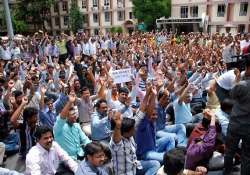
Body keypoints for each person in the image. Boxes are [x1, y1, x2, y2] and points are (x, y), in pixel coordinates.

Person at [110, 109, 160, 175]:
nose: (135, 130)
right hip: (125, 173)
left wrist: (148, 98)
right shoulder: (117, 143)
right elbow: (116, 138)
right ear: (126, 132)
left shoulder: (130, 137)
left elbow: (140, 114)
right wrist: (117, 126)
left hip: (135, 166)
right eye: (133, 129)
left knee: (155, 164)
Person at [224, 54, 250, 175]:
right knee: (247, 157)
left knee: (229, 151)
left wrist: (238, 77)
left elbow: (231, 94)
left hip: (235, 125)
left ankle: (227, 172)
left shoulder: (241, 85)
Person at [53, 92, 91, 160]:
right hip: (67, 160)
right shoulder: (58, 128)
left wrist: (92, 146)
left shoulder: (76, 125)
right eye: (73, 114)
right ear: (66, 116)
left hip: (81, 156)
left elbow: (85, 140)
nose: (75, 116)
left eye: (75, 114)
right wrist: (70, 102)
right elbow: (61, 118)